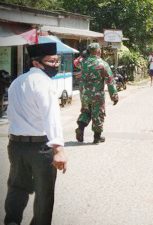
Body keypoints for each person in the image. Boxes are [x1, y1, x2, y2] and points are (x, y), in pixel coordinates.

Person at [4, 43, 67, 225]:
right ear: (37, 62)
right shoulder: (44, 83)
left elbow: (11, 114)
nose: (55, 65)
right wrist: (58, 148)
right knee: (44, 194)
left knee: (17, 188)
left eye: (57, 61)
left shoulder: (17, 82)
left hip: (16, 146)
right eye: (51, 61)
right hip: (41, 149)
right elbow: (51, 117)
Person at [75, 42, 118, 144]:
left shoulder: (83, 62)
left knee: (86, 112)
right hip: (97, 95)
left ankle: (80, 128)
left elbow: (76, 63)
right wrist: (114, 96)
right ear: (99, 51)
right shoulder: (102, 64)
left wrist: (82, 56)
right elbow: (110, 81)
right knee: (98, 113)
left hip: (84, 94)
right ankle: (97, 137)